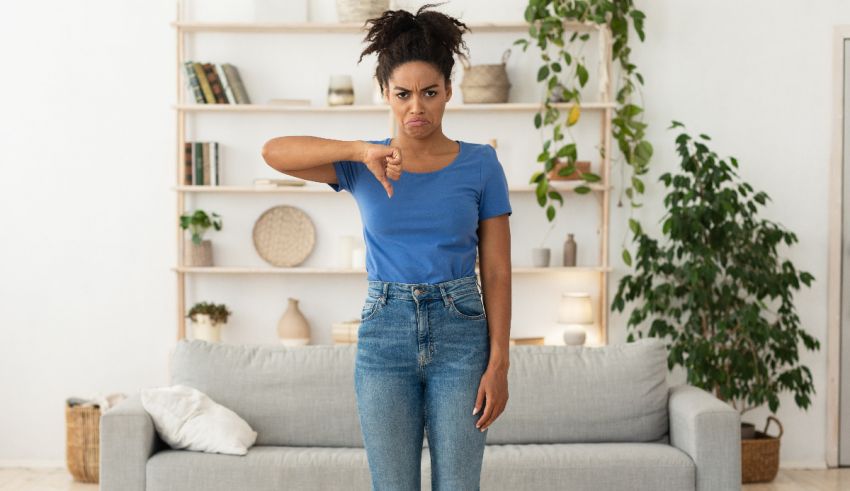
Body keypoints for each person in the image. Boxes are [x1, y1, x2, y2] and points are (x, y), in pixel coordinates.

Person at [261, 3, 512, 489]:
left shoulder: (482, 164)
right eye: (403, 94)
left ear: (448, 92)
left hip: (462, 335)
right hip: (384, 335)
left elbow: (498, 272)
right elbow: (274, 152)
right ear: (385, 93)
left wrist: (499, 364)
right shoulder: (363, 165)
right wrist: (359, 150)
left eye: (429, 93)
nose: (416, 107)